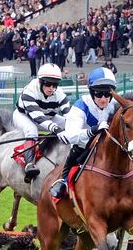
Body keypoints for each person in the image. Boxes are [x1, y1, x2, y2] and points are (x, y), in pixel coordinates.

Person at [49, 67, 119, 200]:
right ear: (92, 93)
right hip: (84, 147)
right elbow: (70, 135)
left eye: (107, 94)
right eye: (99, 94)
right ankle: (64, 181)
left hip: (109, 146)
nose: (104, 99)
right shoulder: (80, 107)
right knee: (76, 153)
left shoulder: (114, 104)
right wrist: (93, 131)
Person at [13, 63, 70, 182]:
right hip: (25, 116)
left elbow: (70, 115)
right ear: (40, 81)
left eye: (55, 84)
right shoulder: (29, 91)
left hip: (48, 117)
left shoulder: (59, 94)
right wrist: (56, 129)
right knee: (31, 130)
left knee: (68, 123)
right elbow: (38, 117)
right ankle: (29, 164)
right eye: (48, 84)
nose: (51, 88)